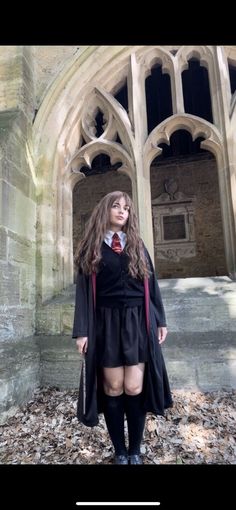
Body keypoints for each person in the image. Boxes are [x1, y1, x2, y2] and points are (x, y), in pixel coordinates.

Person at [72, 191, 172, 464]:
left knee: (134, 386)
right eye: (116, 206)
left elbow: (151, 286)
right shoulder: (90, 248)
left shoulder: (138, 246)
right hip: (105, 323)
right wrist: (82, 330)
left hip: (138, 321)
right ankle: (120, 451)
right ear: (105, 210)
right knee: (113, 387)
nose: (121, 212)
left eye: (126, 208)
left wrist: (160, 319)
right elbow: (82, 292)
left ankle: (135, 450)